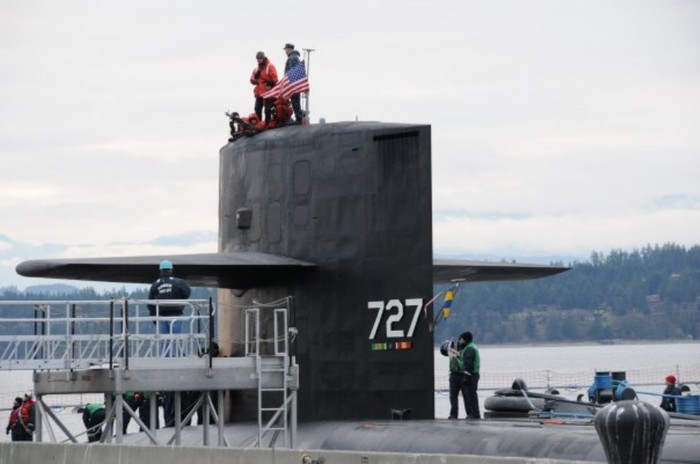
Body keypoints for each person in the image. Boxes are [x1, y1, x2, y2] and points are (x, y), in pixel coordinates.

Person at [147, 259, 192, 349]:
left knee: (164, 341)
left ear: (161, 271)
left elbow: (150, 303)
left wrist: (154, 316)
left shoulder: (155, 284)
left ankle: (165, 358)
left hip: (161, 317)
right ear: (171, 270)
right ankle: (178, 356)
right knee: (176, 340)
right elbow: (187, 293)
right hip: (176, 315)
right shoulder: (178, 282)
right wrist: (180, 300)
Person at [250, 51, 278, 125]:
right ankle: (259, 124)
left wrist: (270, 83)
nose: (259, 60)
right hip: (259, 93)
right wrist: (255, 77)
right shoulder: (256, 69)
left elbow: (275, 79)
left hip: (268, 92)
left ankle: (267, 124)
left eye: (260, 59)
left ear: (263, 58)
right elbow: (252, 81)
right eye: (257, 59)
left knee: (267, 110)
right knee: (257, 108)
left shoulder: (270, 66)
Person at [447, 333, 469, 419]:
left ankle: (469, 413)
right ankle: (453, 414)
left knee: (466, 396)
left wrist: (457, 353)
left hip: (462, 374)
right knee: (453, 396)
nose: (459, 342)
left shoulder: (465, 350)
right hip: (453, 375)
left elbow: (463, 357)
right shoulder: (451, 352)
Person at [283, 43, 304, 124]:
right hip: (295, 84)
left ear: (290, 49)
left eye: (286, 49)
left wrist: (289, 84)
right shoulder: (295, 57)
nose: (285, 51)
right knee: (295, 101)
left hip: (293, 84)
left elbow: (292, 71)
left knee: (295, 101)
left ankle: (299, 119)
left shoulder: (292, 58)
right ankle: (299, 117)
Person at [462, 331, 481, 419]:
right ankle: (475, 414)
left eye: (461, 339)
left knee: (470, 395)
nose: (460, 341)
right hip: (475, 374)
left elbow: (468, 364)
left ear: (465, 340)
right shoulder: (473, 346)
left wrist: (466, 376)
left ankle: (474, 414)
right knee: (473, 394)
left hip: (471, 375)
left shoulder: (469, 349)